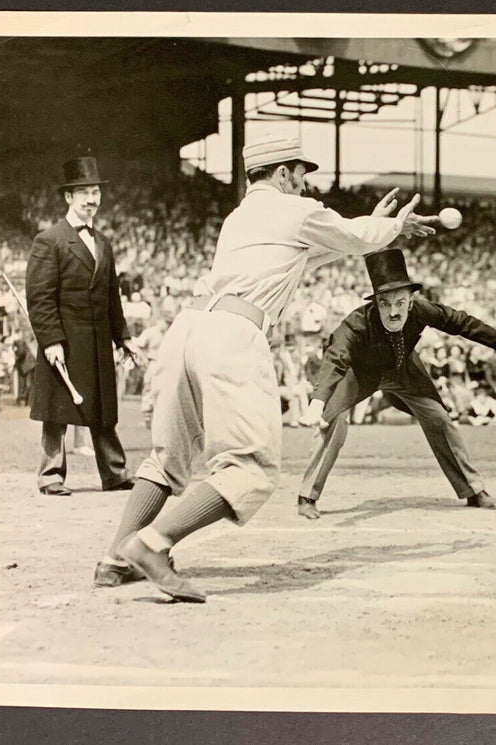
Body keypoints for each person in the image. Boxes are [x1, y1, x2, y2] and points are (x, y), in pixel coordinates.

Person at [96, 137, 432, 601]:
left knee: (168, 457)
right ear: (281, 174)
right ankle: (153, 543)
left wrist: (378, 227)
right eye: (300, 172)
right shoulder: (293, 210)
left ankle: (114, 560)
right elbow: (353, 238)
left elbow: (320, 251)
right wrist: (391, 226)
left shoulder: (241, 217)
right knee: (251, 468)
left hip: (188, 329)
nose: (305, 182)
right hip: (233, 335)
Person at [297, 248, 496, 519]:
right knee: (330, 422)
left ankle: (473, 490)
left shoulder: (422, 310)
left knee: (440, 419)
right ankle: (307, 497)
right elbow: (335, 359)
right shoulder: (355, 324)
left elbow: (459, 322)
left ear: (411, 301)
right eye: (384, 303)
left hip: (404, 370)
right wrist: (317, 404)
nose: (393, 312)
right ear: (375, 303)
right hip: (359, 373)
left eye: (399, 303)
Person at [25, 156, 139, 496]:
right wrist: (51, 341)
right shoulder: (49, 240)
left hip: (98, 340)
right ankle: (50, 476)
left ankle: (115, 474)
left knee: (103, 409)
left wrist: (125, 338)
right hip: (66, 340)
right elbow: (40, 297)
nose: (92, 199)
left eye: (95, 192)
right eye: (84, 192)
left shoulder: (103, 242)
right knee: (57, 409)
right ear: (68, 197)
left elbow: (111, 298)